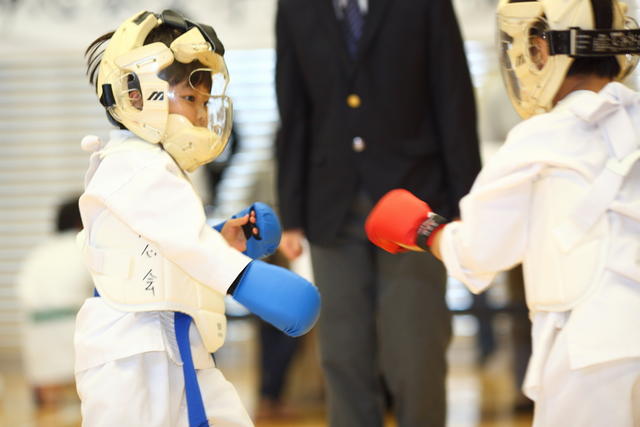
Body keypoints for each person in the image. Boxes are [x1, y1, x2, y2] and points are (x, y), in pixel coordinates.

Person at [365, 0, 640, 424]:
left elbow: (479, 252)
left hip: (589, 352)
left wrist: (425, 230)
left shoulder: (539, 138)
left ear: (544, 50)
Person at [76, 9, 320, 426]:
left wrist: (219, 237)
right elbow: (188, 243)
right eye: (191, 100)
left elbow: (166, 237)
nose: (203, 115)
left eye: (205, 103)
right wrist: (246, 277)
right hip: (130, 354)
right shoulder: (135, 165)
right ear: (136, 95)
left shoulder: (152, 163)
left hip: (173, 339)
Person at [275, 0, 481, 425]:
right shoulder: (295, 7)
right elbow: (293, 113)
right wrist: (291, 214)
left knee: (415, 344)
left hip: (416, 205)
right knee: (343, 351)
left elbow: (454, 98)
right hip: (330, 204)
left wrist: (468, 206)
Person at [16, 196, 92, 409]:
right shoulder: (84, 247)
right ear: (82, 221)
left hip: (38, 339)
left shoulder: (38, 254)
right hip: (77, 333)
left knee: (50, 410)